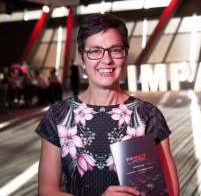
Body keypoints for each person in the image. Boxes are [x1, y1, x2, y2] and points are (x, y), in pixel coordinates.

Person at [35, 14, 179, 196]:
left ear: (125, 55)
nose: (107, 59)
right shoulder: (58, 116)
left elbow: (171, 191)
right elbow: (47, 191)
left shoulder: (148, 115)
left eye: (115, 50)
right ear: (82, 59)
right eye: (95, 51)